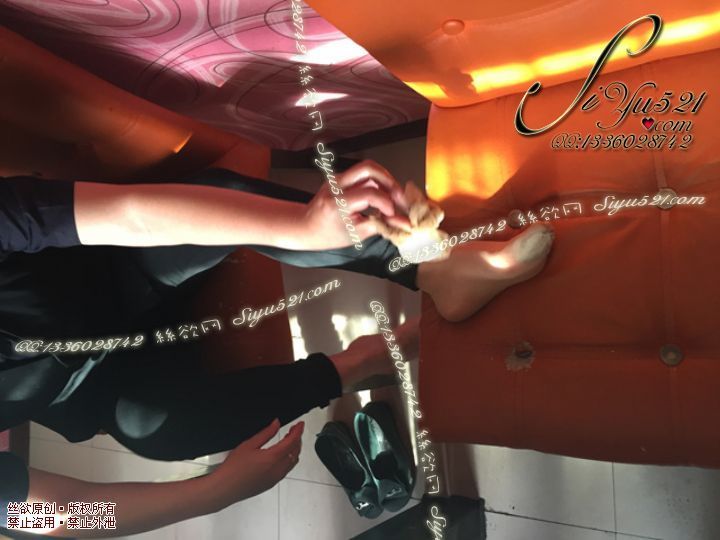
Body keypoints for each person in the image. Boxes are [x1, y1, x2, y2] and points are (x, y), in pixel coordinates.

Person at [0, 160, 553, 537]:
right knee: (158, 431)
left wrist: (302, 227)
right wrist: (213, 493)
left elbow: (127, 214)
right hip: (96, 386)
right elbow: (47, 513)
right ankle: (362, 363)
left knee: (223, 201)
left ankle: (435, 272)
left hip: (115, 269)